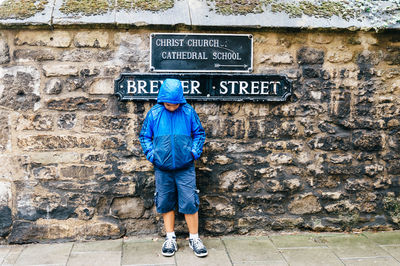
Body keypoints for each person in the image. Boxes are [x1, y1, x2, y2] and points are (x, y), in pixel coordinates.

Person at [139, 78, 207, 257]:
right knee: (165, 201)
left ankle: (194, 238)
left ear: (180, 100)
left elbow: (199, 133)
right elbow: (144, 136)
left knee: (190, 201)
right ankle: (170, 238)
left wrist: (193, 152)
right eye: (168, 104)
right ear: (162, 99)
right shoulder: (154, 114)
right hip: (162, 168)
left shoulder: (188, 112)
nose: (171, 107)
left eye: (175, 104)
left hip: (185, 167)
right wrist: (152, 155)